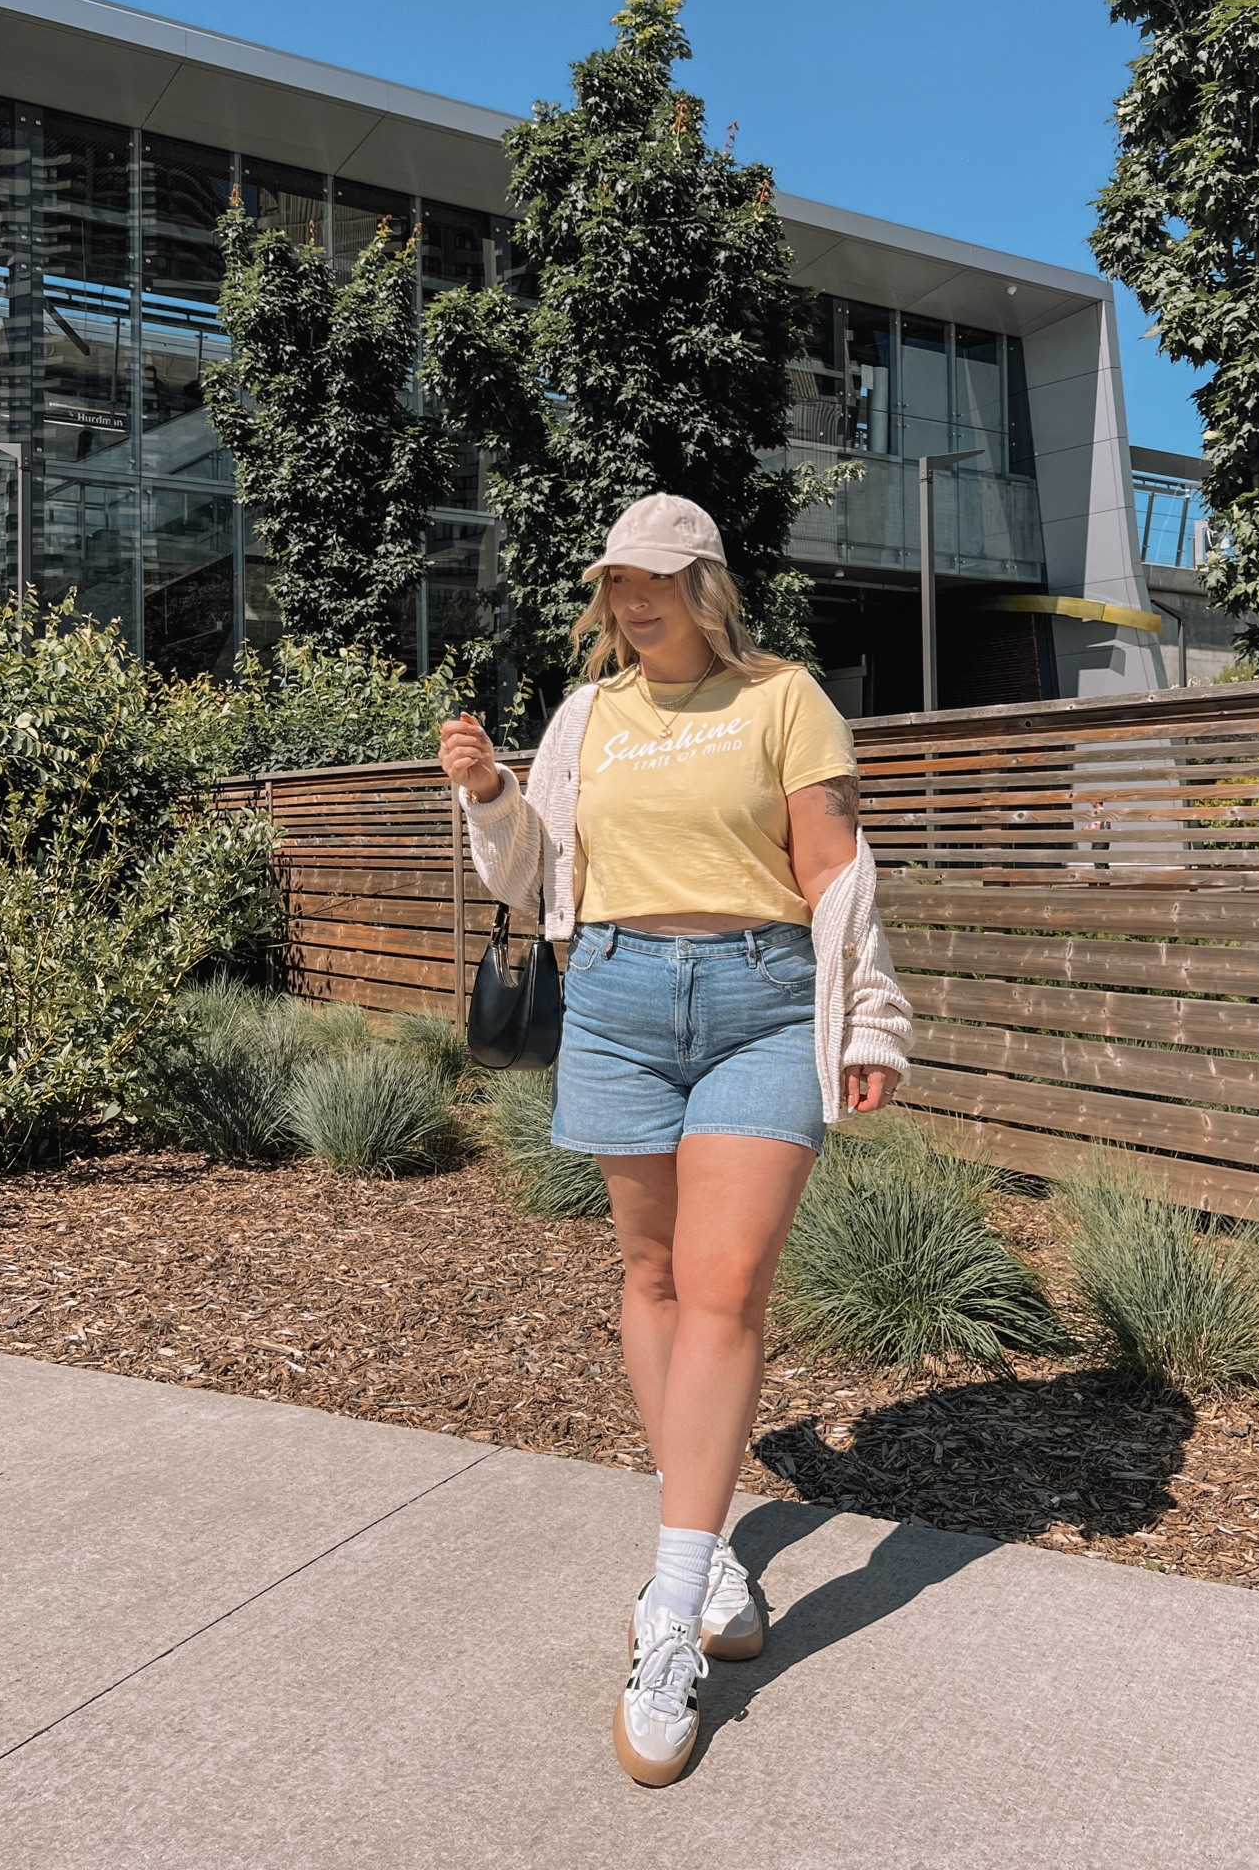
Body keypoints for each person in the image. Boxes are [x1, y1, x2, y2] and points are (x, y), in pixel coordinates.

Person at [438, 492, 911, 1788]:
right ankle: (701, 1551)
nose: (633, 602)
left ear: (706, 583)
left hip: (763, 1001)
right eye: (616, 584)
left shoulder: (784, 698)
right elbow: (531, 875)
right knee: (650, 1279)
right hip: (615, 999)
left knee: (725, 1285)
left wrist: (867, 1014)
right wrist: (488, 796)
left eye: (656, 579)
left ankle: (671, 1611)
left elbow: (834, 869)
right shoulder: (589, 716)